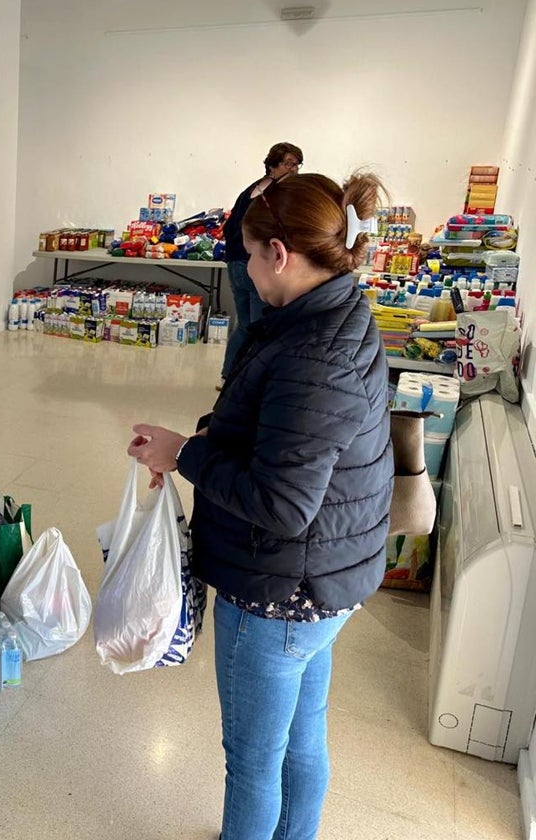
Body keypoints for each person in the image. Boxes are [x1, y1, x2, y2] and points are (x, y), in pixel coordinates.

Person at [129, 171, 392, 839]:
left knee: (251, 762)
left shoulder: (315, 354)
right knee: (300, 741)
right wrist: (216, 435)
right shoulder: (332, 311)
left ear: (279, 252)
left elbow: (281, 504)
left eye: (248, 252)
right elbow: (292, 435)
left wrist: (184, 454)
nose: (244, 268)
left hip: (280, 589)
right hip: (325, 580)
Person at [219, 141, 303, 388]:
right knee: (260, 327)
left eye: (297, 164)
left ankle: (228, 376)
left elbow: (228, 228)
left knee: (245, 325)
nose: (294, 169)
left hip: (235, 263)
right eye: (289, 163)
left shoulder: (252, 189)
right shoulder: (275, 194)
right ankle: (249, 382)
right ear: (272, 165)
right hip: (253, 266)